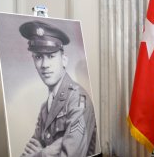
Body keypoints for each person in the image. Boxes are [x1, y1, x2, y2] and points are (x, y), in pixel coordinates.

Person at [19, 20, 97, 157]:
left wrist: (41, 153)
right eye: (38, 57)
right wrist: (51, 150)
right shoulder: (45, 108)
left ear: (64, 60)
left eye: (51, 56)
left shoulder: (78, 100)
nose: (44, 65)